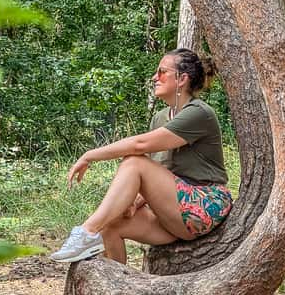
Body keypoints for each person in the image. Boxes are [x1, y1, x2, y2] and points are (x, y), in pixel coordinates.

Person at [50, 49, 232, 264]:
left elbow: (139, 146)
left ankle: (86, 232)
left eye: (162, 72)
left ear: (182, 79)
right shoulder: (161, 117)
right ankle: (116, 288)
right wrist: (135, 203)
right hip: (174, 212)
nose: (155, 78)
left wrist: (89, 156)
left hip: (205, 205)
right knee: (111, 223)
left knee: (134, 161)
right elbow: (163, 171)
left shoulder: (198, 112)